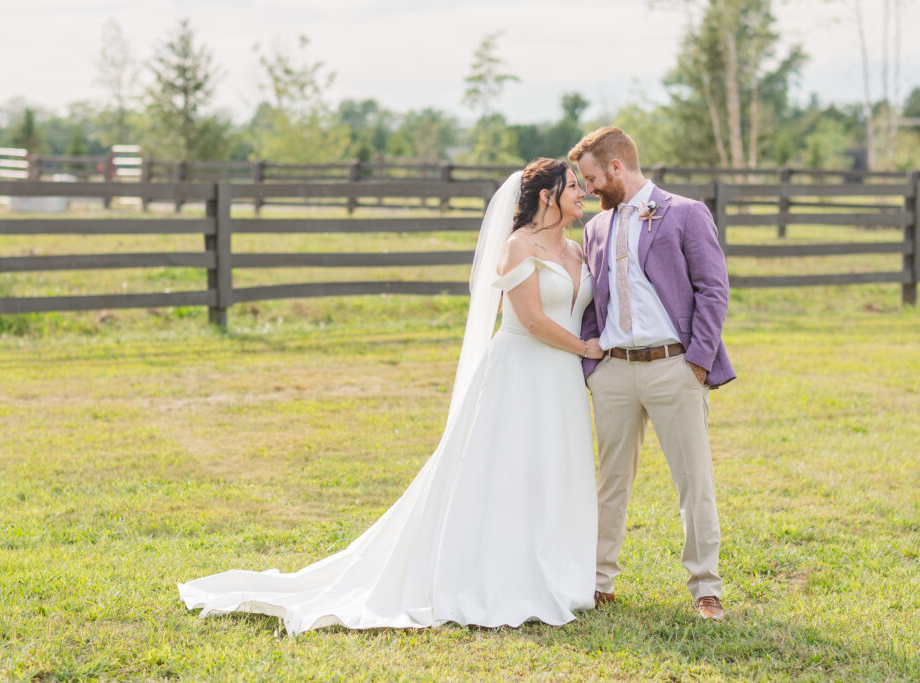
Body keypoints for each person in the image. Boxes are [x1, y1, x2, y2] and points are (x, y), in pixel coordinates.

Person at [178, 158, 604, 635]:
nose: (581, 193)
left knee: (552, 468)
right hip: (520, 372)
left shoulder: (578, 249)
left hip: (561, 380)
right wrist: (584, 347)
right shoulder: (517, 247)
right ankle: (497, 574)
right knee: (506, 469)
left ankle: (555, 572)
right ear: (547, 195)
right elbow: (530, 318)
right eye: (573, 187)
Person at [568, 127, 736, 621]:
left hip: (673, 368)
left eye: (594, 177)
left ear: (617, 168)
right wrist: (592, 367)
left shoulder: (685, 213)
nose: (590, 187)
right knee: (609, 482)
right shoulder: (595, 229)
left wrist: (697, 361)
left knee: (693, 481)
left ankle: (706, 586)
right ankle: (599, 582)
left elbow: (713, 289)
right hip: (614, 374)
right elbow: (594, 299)